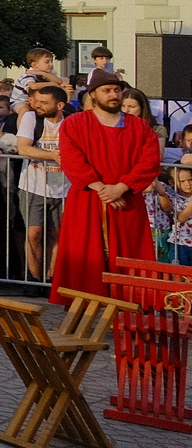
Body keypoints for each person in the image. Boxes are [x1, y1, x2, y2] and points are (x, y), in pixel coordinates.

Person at [52, 71, 161, 304]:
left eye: (117, 90)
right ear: (93, 94)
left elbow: (149, 161)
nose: (114, 95)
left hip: (127, 201)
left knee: (129, 257)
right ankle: (81, 313)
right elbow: (72, 159)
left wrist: (121, 187)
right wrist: (102, 189)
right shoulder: (75, 123)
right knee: (85, 257)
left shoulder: (139, 127)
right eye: (107, 90)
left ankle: (129, 311)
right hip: (88, 199)